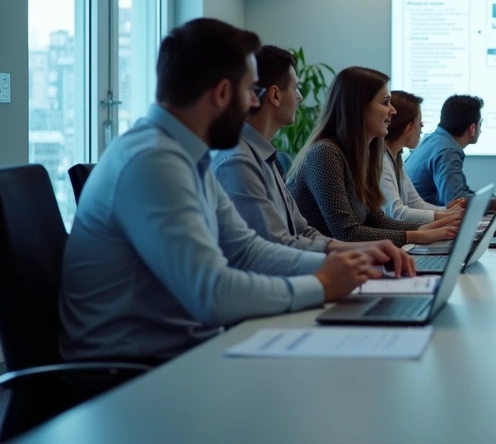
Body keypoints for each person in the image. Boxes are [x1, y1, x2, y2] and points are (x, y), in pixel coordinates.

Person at [60, 19, 397, 364]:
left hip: (182, 355)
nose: (255, 101)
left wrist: (344, 265)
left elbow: (246, 251)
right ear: (222, 93)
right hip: (131, 377)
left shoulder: (187, 156)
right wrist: (323, 284)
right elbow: (213, 293)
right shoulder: (153, 162)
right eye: (251, 89)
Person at [213, 45, 418, 270]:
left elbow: (304, 232)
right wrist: (345, 263)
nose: (300, 97)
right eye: (296, 88)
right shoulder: (238, 162)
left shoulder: (264, 157)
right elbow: (275, 249)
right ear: (274, 95)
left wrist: (363, 250)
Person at [287, 67, 460, 247]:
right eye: (385, 103)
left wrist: (425, 228)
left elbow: (377, 220)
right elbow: (346, 233)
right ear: (359, 107)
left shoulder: (361, 155)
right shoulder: (324, 153)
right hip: (321, 267)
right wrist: (416, 235)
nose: (393, 111)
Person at [405, 94, 496, 210]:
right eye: (480, 124)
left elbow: (462, 193)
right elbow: (457, 201)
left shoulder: (434, 140)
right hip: (423, 224)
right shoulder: (447, 151)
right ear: (472, 129)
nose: (480, 131)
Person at [381, 90, 466, 222]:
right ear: (409, 126)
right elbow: (396, 213)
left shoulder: (395, 157)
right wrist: (446, 215)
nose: (422, 126)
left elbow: (416, 204)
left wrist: (447, 211)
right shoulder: (381, 161)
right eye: (419, 121)